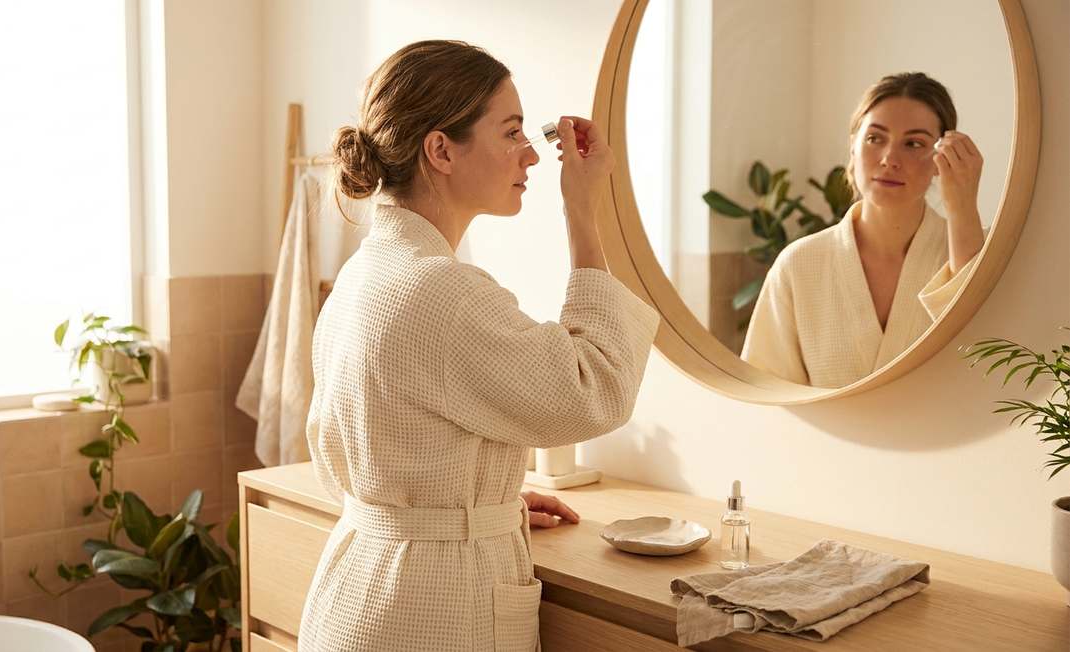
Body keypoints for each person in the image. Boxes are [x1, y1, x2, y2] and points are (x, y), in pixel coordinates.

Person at [297, 40, 659, 651]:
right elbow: (594, 391)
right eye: (513, 132)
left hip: (356, 595)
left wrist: (475, 497)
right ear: (441, 150)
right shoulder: (442, 291)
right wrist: (582, 211)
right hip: (427, 612)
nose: (531, 157)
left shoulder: (368, 274)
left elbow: (381, 444)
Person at [741, 72, 985, 388]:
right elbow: (769, 395)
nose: (889, 159)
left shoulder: (969, 252)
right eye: (875, 138)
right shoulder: (799, 265)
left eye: (914, 143)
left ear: (941, 159)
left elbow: (987, 369)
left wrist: (962, 207)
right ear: (853, 148)